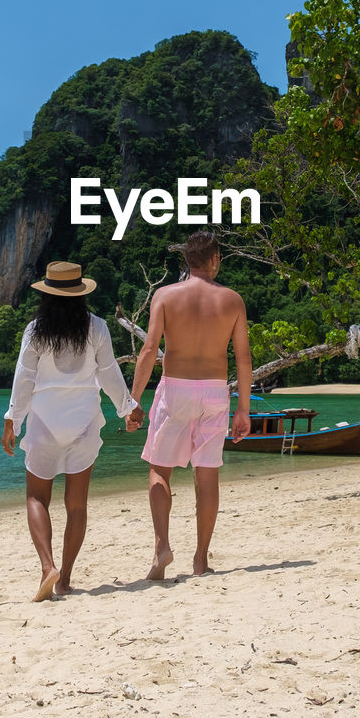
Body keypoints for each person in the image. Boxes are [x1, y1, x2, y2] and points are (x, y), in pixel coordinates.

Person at [2, 260, 145, 602]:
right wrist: (128, 408)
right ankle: (65, 578)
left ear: (47, 296)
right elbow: (109, 373)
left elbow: (24, 380)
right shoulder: (95, 327)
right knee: (76, 505)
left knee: (37, 498)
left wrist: (12, 420)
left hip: (44, 424)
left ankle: (47, 566)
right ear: (81, 294)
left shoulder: (35, 331)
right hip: (82, 423)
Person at [130, 230, 252, 580]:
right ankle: (201, 559)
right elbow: (243, 359)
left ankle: (163, 547)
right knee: (207, 473)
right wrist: (243, 409)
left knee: (160, 469)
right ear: (215, 259)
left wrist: (133, 401)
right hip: (214, 390)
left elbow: (149, 350)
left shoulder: (166, 295)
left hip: (176, 390)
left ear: (187, 260)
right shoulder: (232, 300)